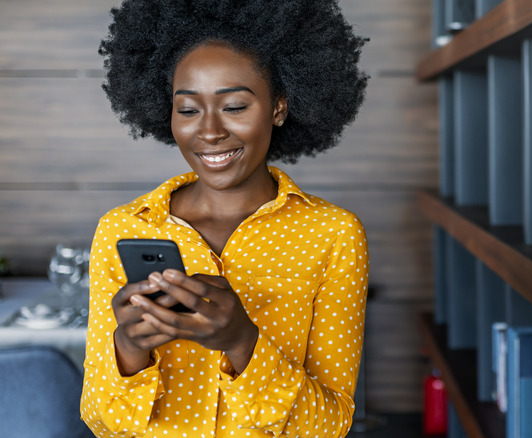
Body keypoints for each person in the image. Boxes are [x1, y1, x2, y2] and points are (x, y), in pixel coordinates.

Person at [80, 1, 369, 436]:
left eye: (234, 106)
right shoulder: (124, 228)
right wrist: (129, 347)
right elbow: (100, 422)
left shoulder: (333, 234)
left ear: (278, 107)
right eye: (188, 109)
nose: (210, 131)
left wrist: (241, 342)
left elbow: (330, 426)